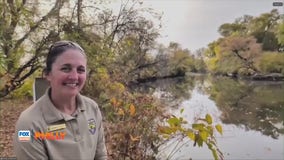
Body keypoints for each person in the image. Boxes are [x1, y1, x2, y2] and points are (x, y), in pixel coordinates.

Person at [13, 40, 107, 160]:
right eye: (66, 69)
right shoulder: (28, 126)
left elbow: (101, 155)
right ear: (47, 74)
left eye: (80, 70)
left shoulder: (92, 108)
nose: (74, 76)